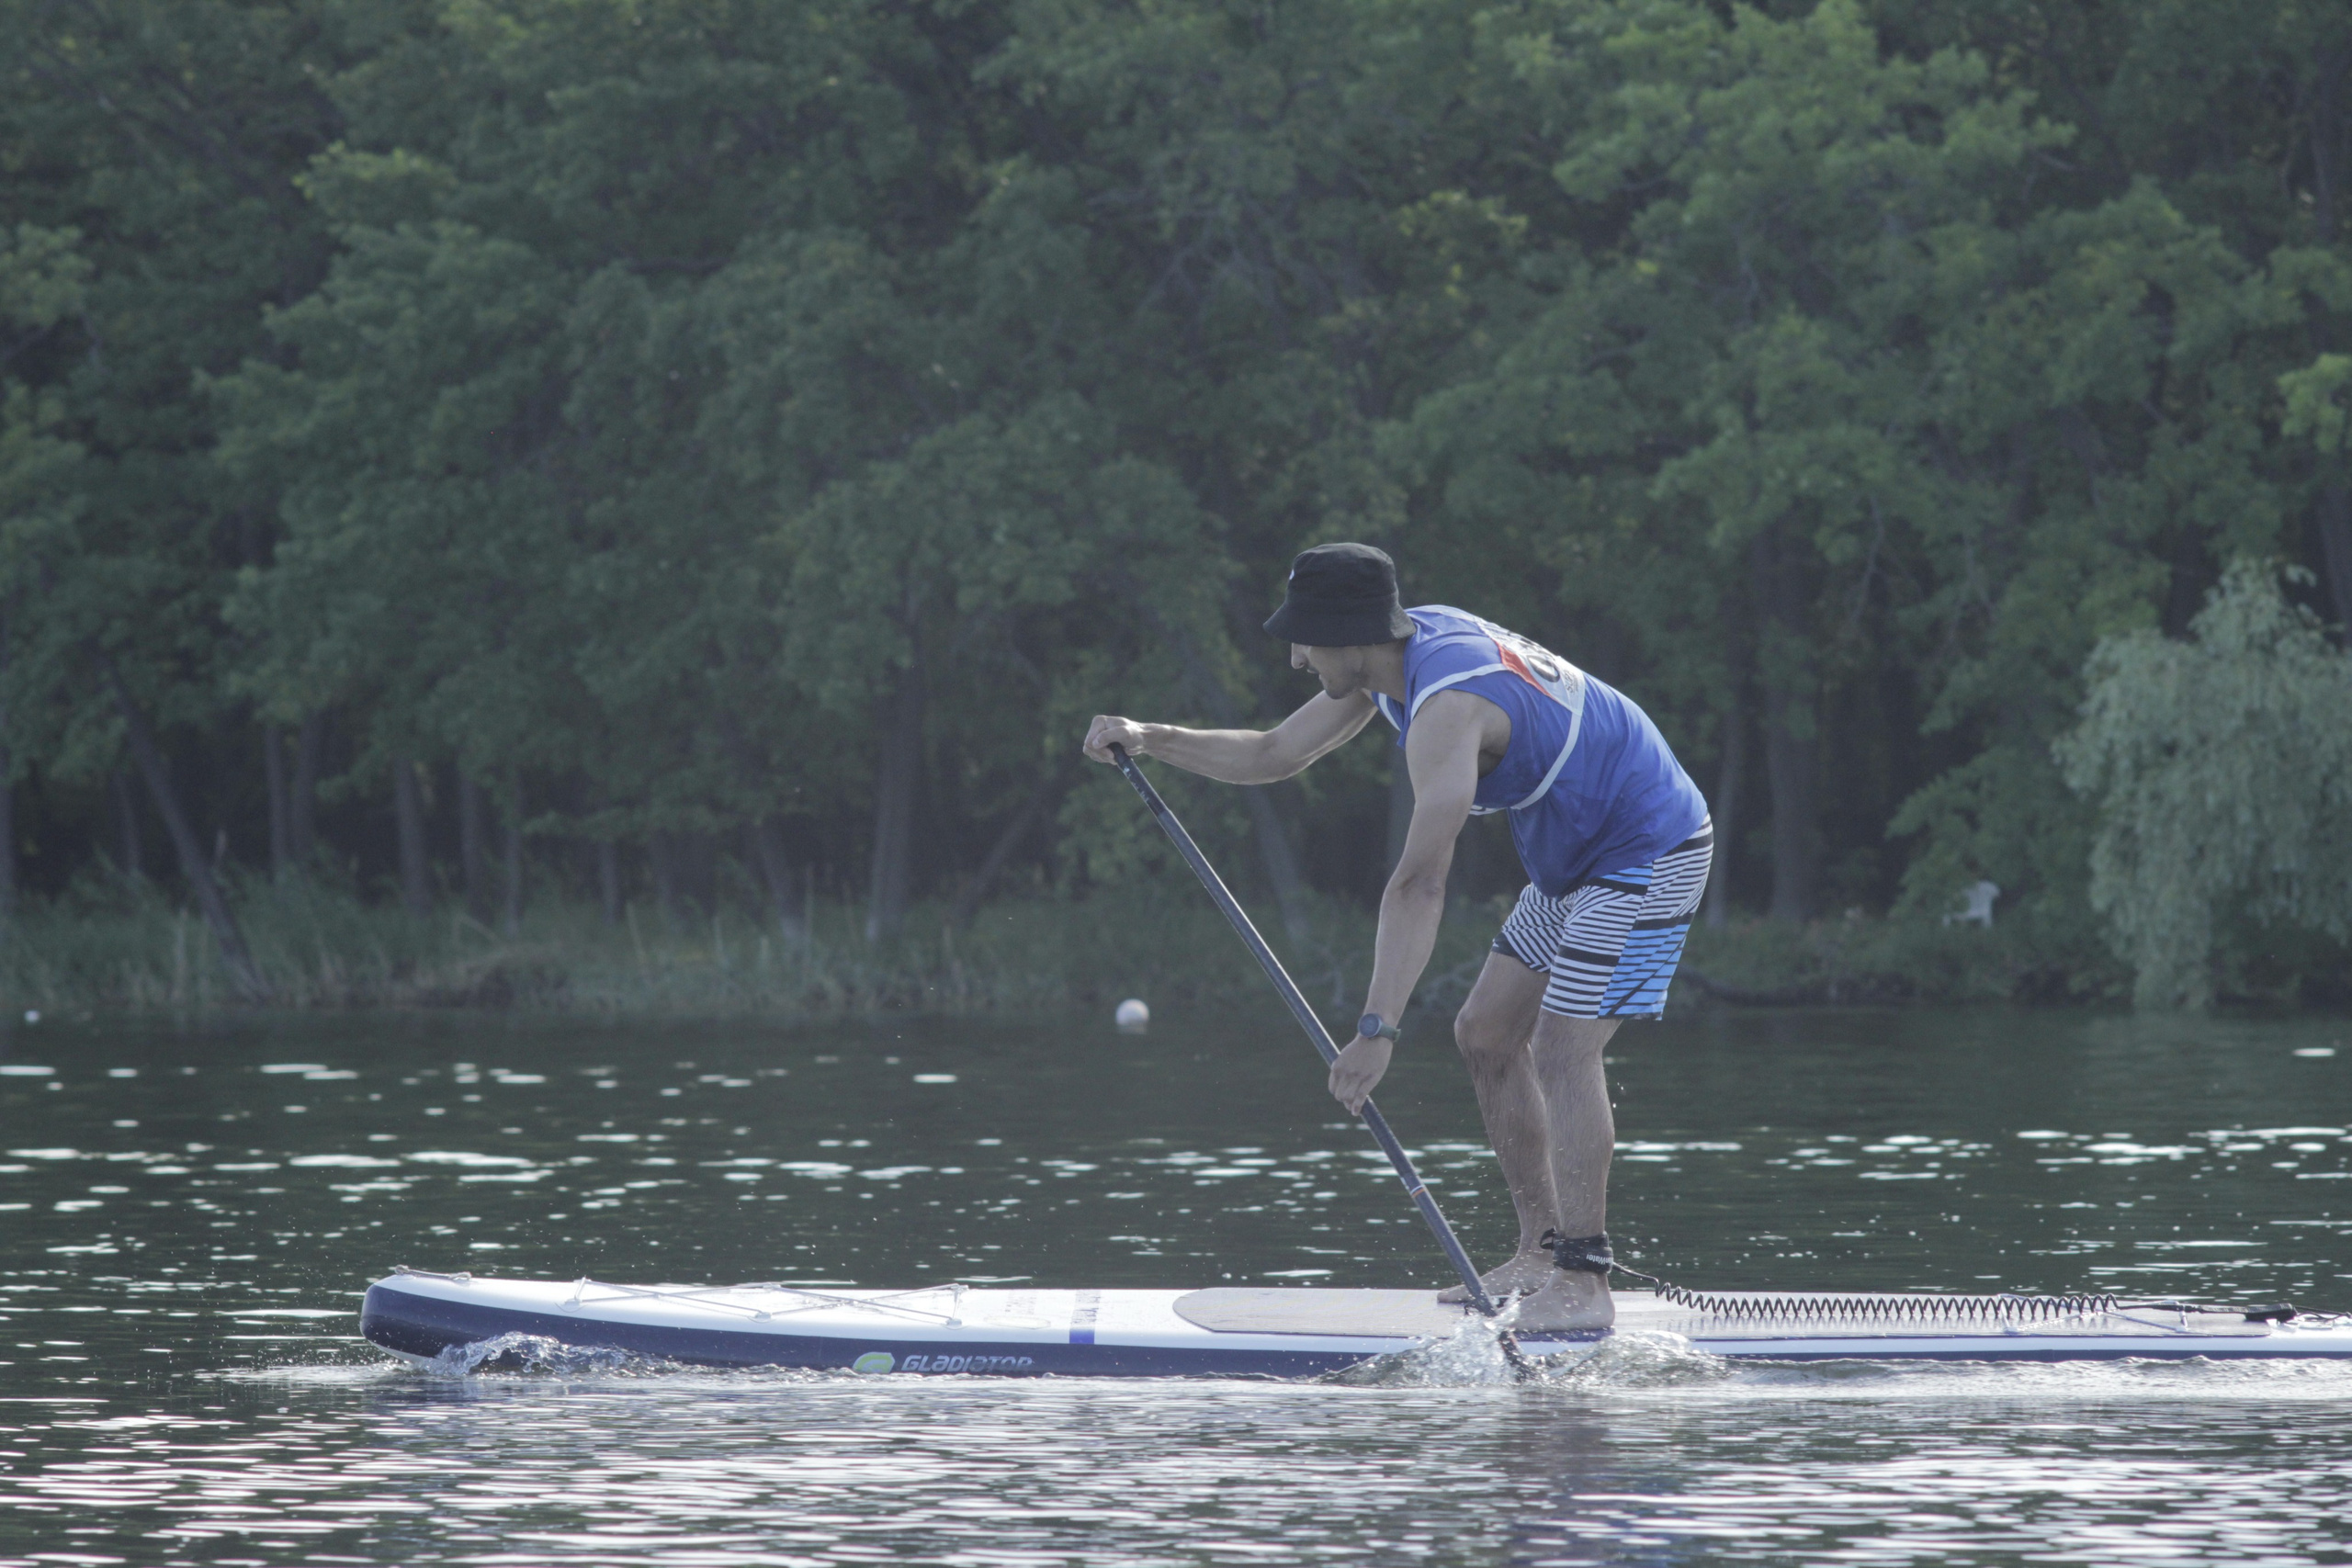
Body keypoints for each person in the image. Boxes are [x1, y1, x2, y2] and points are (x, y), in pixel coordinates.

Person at [1083, 543, 1711, 1330]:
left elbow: (1419, 883)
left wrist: (1376, 1030)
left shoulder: (1446, 706)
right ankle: (1540, 1249)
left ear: (1353, 634)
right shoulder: (1391, 662)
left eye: (1307, 639)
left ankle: (1584, 1280)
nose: (1297, 657)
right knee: (1486, 1034)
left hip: (1651, 848)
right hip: (1572, 864)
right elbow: (1276, 752)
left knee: (1562, 1048)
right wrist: (1150, 736)